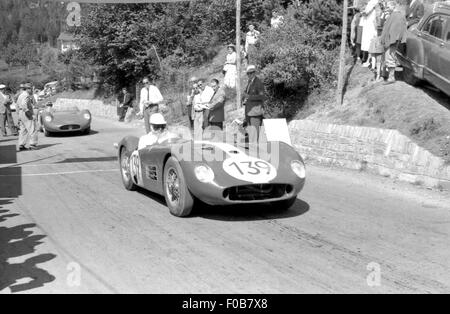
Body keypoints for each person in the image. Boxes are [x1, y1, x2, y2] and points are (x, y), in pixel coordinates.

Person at [381, 0, 407, 82]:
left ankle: (392, 77)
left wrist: (393, 40)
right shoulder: (393, 15)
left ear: (393, 6)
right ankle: (385, 75)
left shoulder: (398, 16)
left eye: (388, 7)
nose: (387, 9)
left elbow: (397, 29)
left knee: (390, 57)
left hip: (392, 41)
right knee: (388, 57)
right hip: (390, 40)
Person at [242, 65, 265, 141]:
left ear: (254, 73)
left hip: (255, 112)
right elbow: (247, 93)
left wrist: (249, 97)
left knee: (254, 135)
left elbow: (262, 97)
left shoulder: (258, 83)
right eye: (248, 73)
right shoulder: (250, 82)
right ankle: (251, 150)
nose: (249, 75)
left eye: (251, 73)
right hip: (249, 111)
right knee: (251, 134)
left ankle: (254, 151)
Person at [17, 83, 38, 151]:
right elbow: (24, 105)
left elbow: (17, 105)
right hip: (26, 113)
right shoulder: (26, 95)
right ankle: (33, 144)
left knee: (23, 130)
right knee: (32, 128)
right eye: (30, 88)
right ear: (27, 89)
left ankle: (21, 145)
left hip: (21, 113)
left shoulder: (21, 95)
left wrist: (19, 115)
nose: (31, 90)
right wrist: (30, 114)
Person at [361, 0, 380, 68]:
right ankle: (370, 61)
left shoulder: (373, 2)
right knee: (369, 43)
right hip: (369, 24)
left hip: (370, 25)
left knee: (370, 43)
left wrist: (363, 12)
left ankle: (369, 61)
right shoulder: (371, 2)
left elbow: (366, 13)